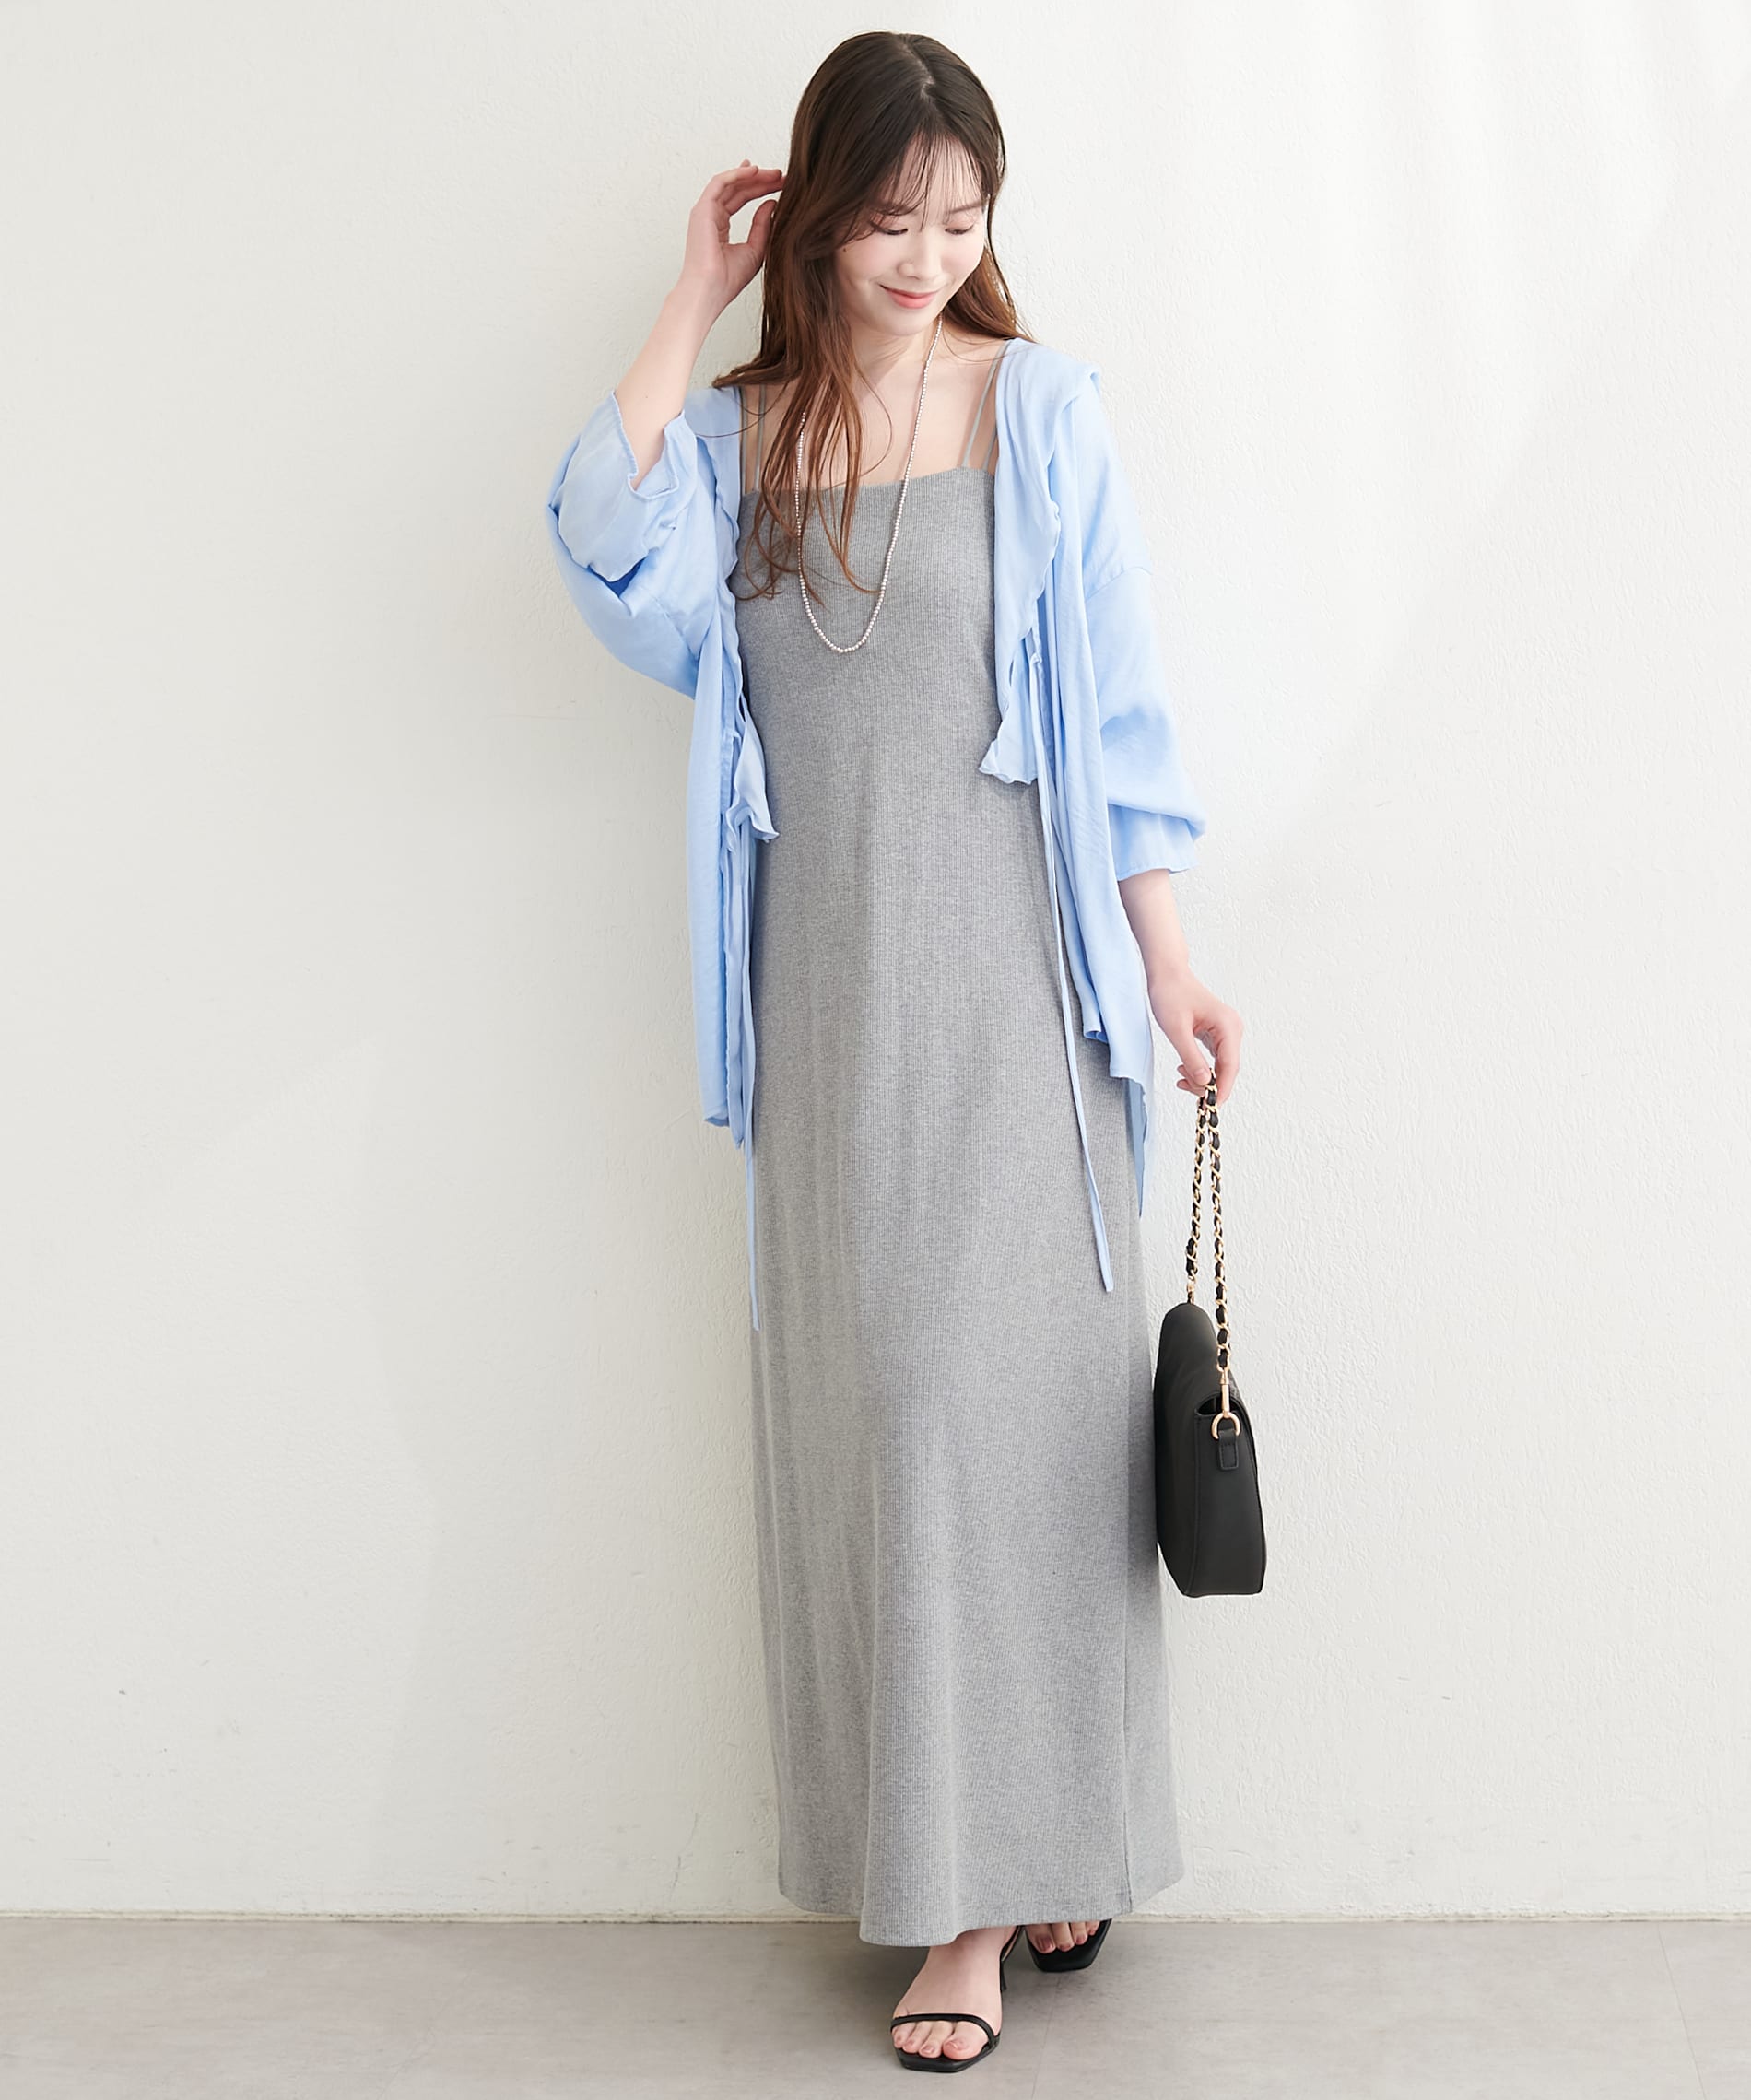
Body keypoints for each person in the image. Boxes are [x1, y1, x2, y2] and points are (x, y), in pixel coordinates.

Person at [546, 29, 1244, 2073]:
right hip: (832, 1006)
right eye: (887, 220)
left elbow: (1120, 711)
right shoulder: (738, 438)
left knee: (1013, 1428)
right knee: (879, 1435)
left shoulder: (1042, 412)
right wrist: (689, 297)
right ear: (816, 220)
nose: (929, 257)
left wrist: (1173, 965)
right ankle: (985, 1853)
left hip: (1025, 1002)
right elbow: (600, 550)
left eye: (961, 218)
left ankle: (992, 1898)